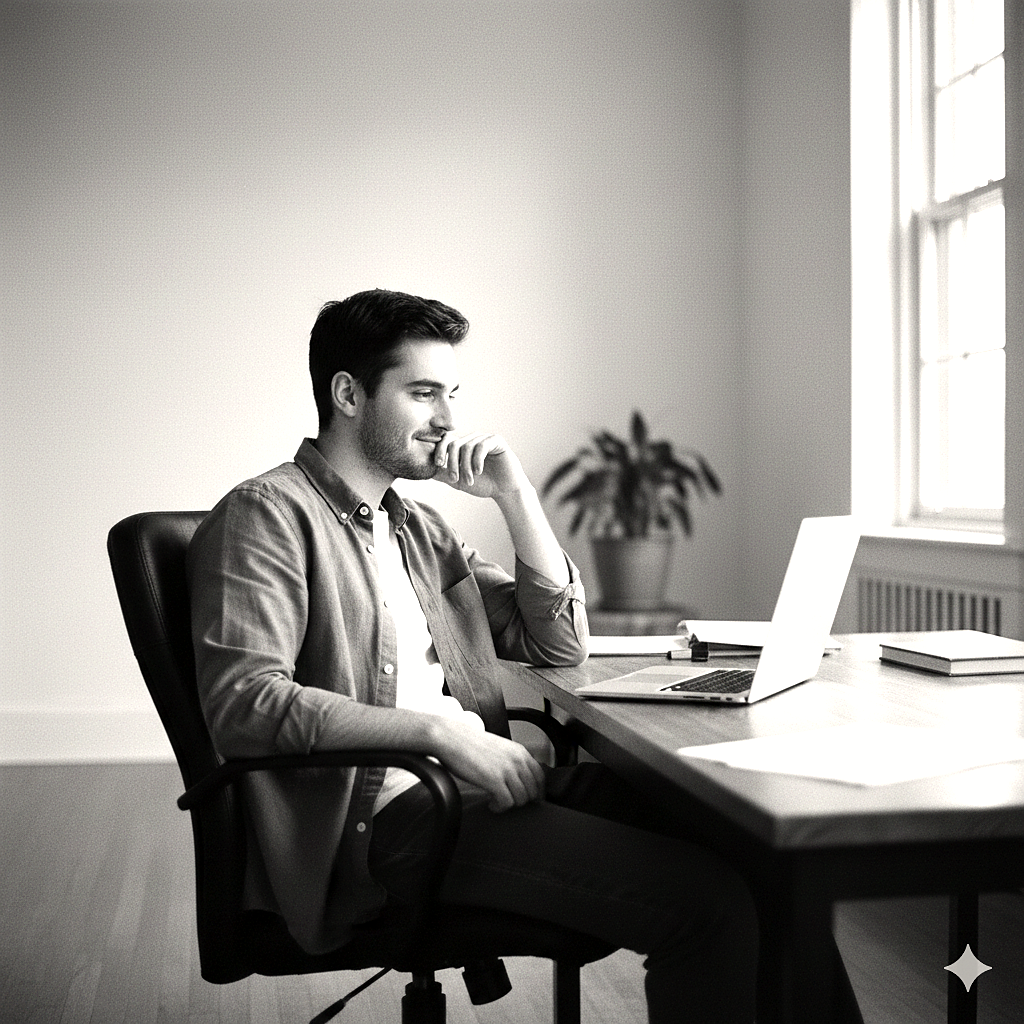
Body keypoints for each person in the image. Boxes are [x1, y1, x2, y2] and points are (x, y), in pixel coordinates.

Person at [187, 288, 759, 1023]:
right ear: (348, 394)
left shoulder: (417, 529)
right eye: (424, 393)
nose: (449, 419)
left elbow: (557, 642)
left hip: (475, 787)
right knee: (703, 906)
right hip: (391, 820)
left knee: (750, 851)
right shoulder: (266, 515)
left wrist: (516, 498)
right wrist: (442, 736)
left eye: (451, 393)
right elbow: (245, 705)